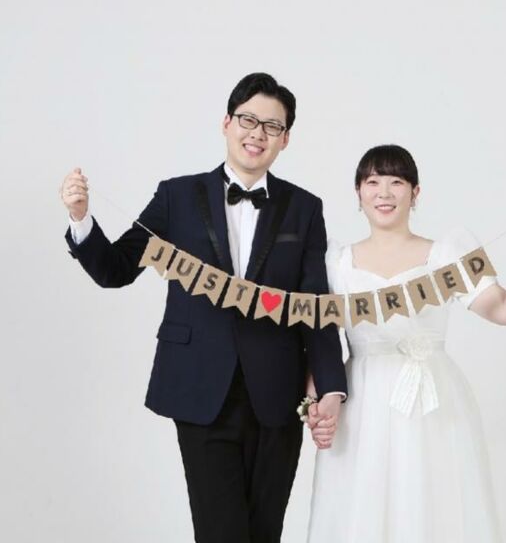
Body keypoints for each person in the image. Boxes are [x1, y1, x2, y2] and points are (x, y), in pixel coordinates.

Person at [60, 72, 347, 543]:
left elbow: (316, 305)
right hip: (199, 387)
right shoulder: (176, 196)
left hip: (278, 392)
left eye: (272, 126)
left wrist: (331, 385)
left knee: (265, 532)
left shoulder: (304, 208)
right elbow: (116, 269)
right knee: (220, 533)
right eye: (248, 120)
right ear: (226, 123)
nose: (257, 134)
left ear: (285, 139)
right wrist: (80, 219)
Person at [305, 144, 506, 543]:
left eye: (397, 182)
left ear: (416, 192)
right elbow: (316, 337)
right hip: (361, 401)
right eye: (372, 182)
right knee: (360, 508)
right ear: (358, 192)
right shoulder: (336, 262)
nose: (384, 192)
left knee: (432, 506)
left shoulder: (446, 255)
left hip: (432, 401)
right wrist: (315, 398)